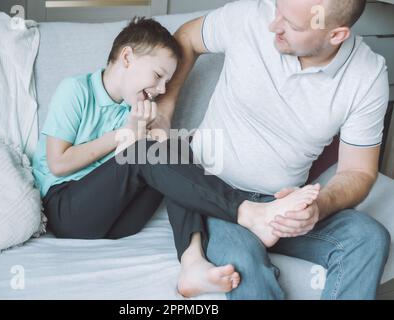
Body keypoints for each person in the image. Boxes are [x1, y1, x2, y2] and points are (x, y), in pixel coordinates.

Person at [32, 17, 321, 297]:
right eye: (157, 77)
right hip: (67, 210)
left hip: (119, 222)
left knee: (177, 148)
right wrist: (125, 135)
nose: (159, 90)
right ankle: (247, 211)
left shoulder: (137, 109)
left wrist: (156, 137)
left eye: (165, 84)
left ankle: (192, 263)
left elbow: (144, 167)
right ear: (127, 57)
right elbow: (59, 164)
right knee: (147, 151)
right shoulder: (77, 90)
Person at [153, 0, 391, 299]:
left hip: (280, 207)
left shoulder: (366, 75)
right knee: (243, 256)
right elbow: (187, 37)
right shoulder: (250, 16)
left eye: (292, 25)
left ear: (336, 35)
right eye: (278, 9)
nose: (273, 25)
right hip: (213, 192)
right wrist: (164, 110)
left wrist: (319, 206)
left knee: (368, 237)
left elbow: (358, 171)